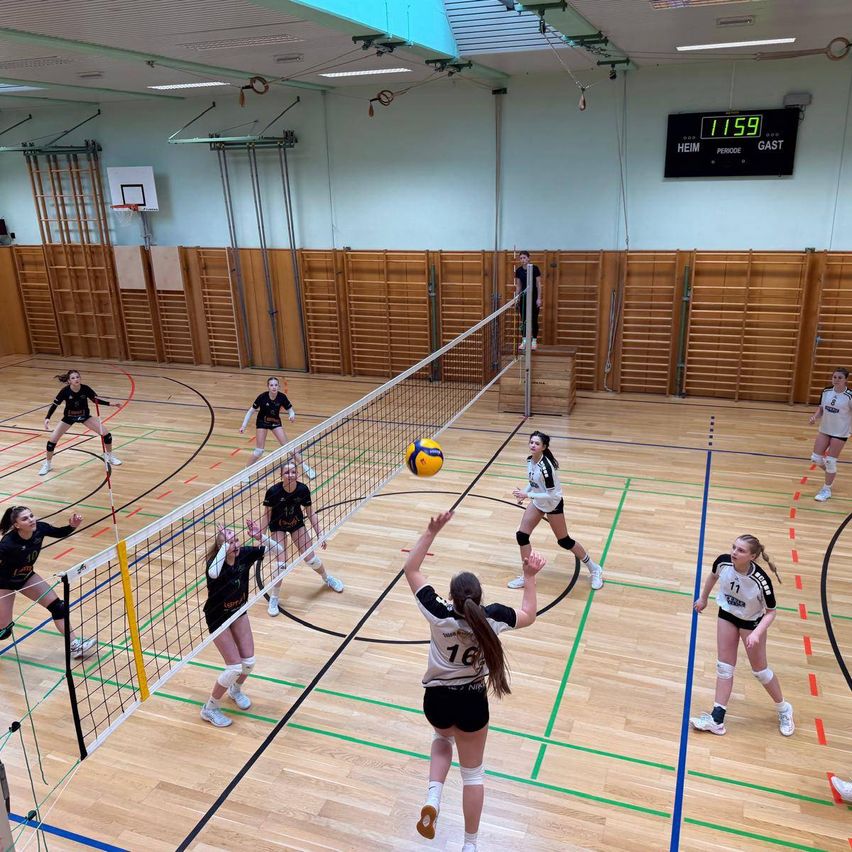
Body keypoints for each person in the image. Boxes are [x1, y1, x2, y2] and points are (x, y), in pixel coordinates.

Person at [403, 510, 545, 852]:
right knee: (473, 776)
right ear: (479, 597)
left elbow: (411, 569)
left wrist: (431, 530)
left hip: (436, 700)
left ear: (451, 598)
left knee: (441, 739)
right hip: (472, 702)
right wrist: (530, 576)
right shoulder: (493, 618)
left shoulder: (438, 614)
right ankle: (470, 845)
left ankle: (433, 799)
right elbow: (529, 614)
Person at [690, 535, 794, 737]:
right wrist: (703, 599)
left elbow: (771, 612)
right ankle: (717, 720)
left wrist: (756, 633)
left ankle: (784, 709)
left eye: (741, 550)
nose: (734, 552)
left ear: (752, 556)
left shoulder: (761, 580)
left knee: (760, 672)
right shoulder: (723, 562)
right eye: (733, 547)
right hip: (727, 614)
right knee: (724, 668)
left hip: (751, 623)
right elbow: (713, 576)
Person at [509, 430, 604, 591]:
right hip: (538, 502)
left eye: (537, 443)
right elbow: (533, 482)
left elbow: (551, 493)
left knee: (564, 541)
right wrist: (525, 495)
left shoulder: (546, 467)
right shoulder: (529, 460)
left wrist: (527, 494)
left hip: (552, 504)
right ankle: (527, 576)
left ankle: (595, 569)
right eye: (531, 442)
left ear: (544, 447)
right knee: (522, 535)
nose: (533, 445)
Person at [0, 506, 95, 659]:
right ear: (16, 525)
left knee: (58, 607)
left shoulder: (40, 529)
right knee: (4, 632)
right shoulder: (7, 544)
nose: (31, 520)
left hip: (26, 577)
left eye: (31, 515)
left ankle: (75, 646)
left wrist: (72, 526)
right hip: (4, 584)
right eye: (25, 518)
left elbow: (59, 532)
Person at [199, 523, 265, 728]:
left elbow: (278, 550)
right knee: (234, 667)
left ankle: (235, 690)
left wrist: (260, 537)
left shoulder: (244, 554)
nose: (235, 544)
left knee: (249, 662)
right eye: (229, 542)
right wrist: (223, 549)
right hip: (218, 617)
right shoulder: (214, 565)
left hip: (238, 612)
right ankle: (209, 709)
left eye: (235, 539)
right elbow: (213, 574)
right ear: (220, 549)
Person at [258, 461, 344, 616]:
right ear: (281, 475)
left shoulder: (303, 489)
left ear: (297, 474)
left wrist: (320, 534)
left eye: (293, 472)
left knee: (311, 559)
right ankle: (274, 598)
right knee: (280, 564)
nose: (290, 475)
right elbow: (266, 515)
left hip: (296, 524)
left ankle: (327, 579)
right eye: (287, 472)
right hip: (277, 527)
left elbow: (311, 513)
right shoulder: (273, 492)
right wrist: (261, 537)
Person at [41, 369, 122, 475]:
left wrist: (110, 404)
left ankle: (109, 456)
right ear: (69, 381)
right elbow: (55, 405)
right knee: (51, 442)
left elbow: (95, 400)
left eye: (78, 377)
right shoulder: (65, 391)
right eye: (73, 378)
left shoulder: (85, 389)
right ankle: (48, 464)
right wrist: (48, 418)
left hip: (84, 416)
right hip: (69, 418)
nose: (76, 379)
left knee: (107, 435)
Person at [239, 377, 316, 479]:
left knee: (288, 447)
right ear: (268, 387)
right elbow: (250, 411)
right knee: (259, 451)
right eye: (271, 385)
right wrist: (243, 426)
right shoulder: (262, 397)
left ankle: (306, 468)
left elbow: (290, 410)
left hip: (275, 422)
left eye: (276, 385)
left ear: (278, 386)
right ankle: (245, 472)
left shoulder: (282, 397)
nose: (274, 387)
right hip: (262, 422)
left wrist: (292, 415)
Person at [808, 367, 852, 502]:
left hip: (840, 432)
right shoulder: (826, 391)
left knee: (831, 461)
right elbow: (821, 408)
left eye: (840, 378)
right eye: (834, 377)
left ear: (846, 380)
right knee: (815, 459)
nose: (836, 380)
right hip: (825, 429)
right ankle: (830, 472)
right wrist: (815, 417)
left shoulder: (849, 396)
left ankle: (826, 489)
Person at [514, 251, 542, 351]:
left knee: (534, 320)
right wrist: (517, 298)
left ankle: (534, 341)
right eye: (521, 258)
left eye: (524, 258)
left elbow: (538, 284)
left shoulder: (535, 269)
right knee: (524, 320)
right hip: (524, 298)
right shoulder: (518, 271)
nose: (523, 260)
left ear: (528, 258)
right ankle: (524, 341)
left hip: (534, 297)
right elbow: (519, 286)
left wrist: (539, 298)